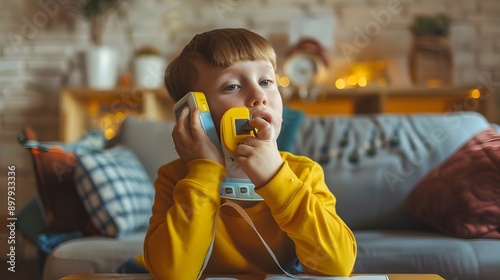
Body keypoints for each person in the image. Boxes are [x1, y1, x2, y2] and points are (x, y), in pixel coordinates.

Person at [143, 28, 357, 279]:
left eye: (266, 82)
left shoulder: (302, 173)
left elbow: (337, 265)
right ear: (193, 113)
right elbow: (173, 273)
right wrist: (204, 171)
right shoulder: (175, 178)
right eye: (232, 86)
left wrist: (276, 179)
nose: (259, 97)